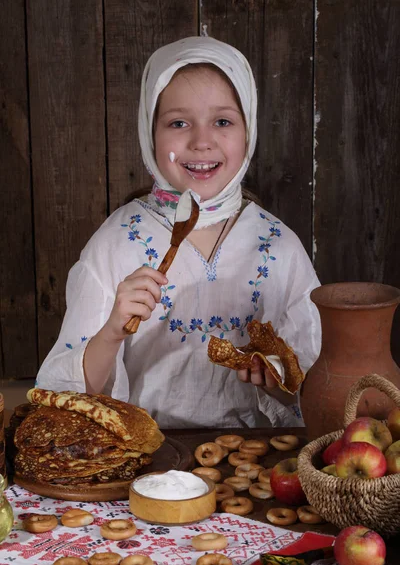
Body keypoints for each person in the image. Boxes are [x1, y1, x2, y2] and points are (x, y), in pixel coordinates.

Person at [36, 36, 321, 428]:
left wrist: (275, 380)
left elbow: (315, 391)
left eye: (222, 121)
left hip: (257, 466)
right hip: (144, 466)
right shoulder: (117, 242)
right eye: (178, 123)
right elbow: (65, 398)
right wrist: (111, 332)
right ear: (149, 134)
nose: (202, 142)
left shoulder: (278, 246)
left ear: (248, 131)